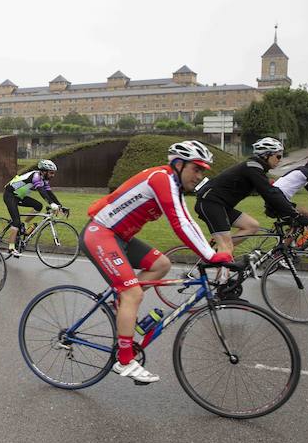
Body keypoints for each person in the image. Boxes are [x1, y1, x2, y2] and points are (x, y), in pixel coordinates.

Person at [81, 140, 231, 384]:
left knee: (161, 265)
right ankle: (125, 360)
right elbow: (179, 223)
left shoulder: (174, 184)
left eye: (203, 170)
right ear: (179, 164)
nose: (199, 175)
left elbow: (188, 220)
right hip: (101, 234)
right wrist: (211, 256)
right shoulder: (160, 178)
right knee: (132, 294)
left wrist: (211, 250)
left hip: (122, 238)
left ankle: (120, 305)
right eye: (197, 168)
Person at [194, 137, 308, 256]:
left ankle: (215, 254)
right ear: (266, 155)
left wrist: (289, 210)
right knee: (227, 248)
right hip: (210, 203)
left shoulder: (256, 169)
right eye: (278, 156)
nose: (280, 160)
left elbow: (272, 193)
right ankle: (221, 257)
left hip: (221, 205)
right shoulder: (252, 167)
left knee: (252, 226)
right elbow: (270, 193)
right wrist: (295, 215)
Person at [2, 159, 67, 258]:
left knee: (38, 206)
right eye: (51, 173)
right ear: (44, 171)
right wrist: (51, 204)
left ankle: (25, 223)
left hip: (19, 197)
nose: (52, 175)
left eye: (53, 173)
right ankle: (11, 248)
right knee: (16, 221)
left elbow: (49, 193)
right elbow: (42, 192)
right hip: (10, 195)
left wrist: (59, 205)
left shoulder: (43, 179)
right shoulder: (35, 176)